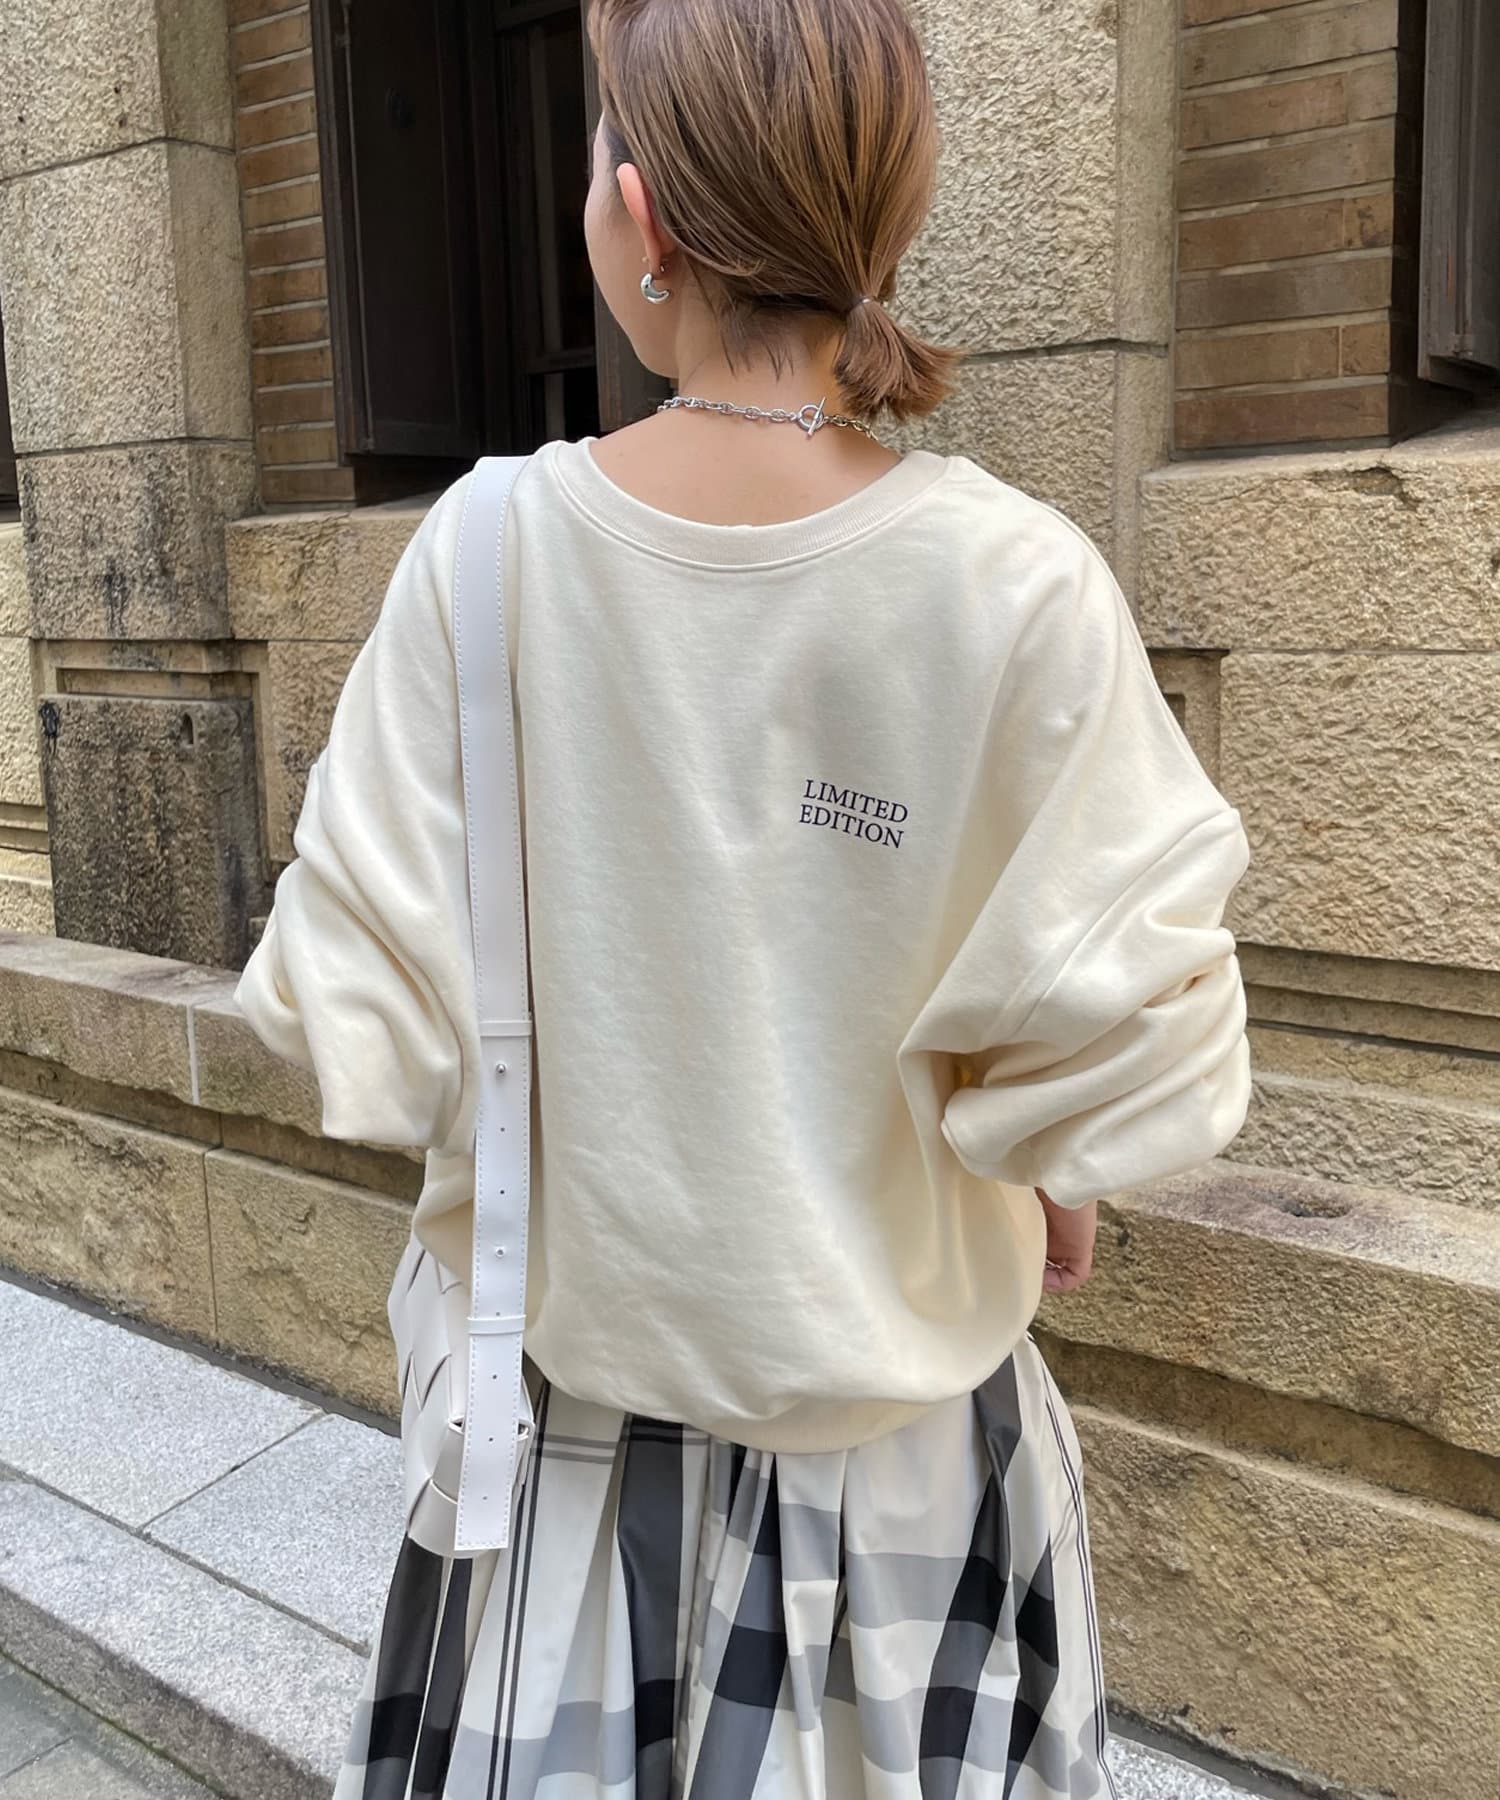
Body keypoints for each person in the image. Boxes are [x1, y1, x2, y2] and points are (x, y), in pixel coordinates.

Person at [233, 0, 1252, 1793]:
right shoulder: (1021, 586)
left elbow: (366, 1023)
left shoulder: (484, 558)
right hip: (921, 1476)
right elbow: (1120, 1046)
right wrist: (1042, 1154)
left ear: (639, 216)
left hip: (572, 1492)